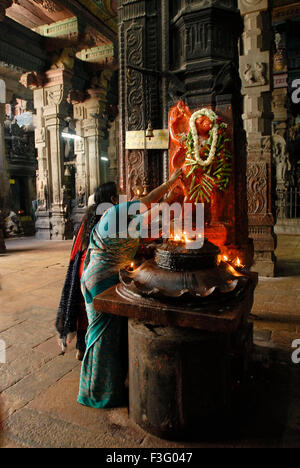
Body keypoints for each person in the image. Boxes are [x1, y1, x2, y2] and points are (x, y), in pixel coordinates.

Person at [78, 168, 182, 409]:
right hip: (98, 281)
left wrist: (173, 197)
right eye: (121, 193)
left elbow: (154, 211)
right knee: (101, 338)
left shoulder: (126, 220)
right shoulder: (113, 213)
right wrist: (172, 181)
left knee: (111, 337)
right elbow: (148, 202)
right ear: (114, 201)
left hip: (109, 280)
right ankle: (94, 394)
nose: (126, 196)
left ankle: (109, 390)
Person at [55, 182, 118, 361]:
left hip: (82, 268)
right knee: (97, 312)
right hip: (96, 269)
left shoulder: (89, 215)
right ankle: (96, 349)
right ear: (112, 198)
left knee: (83, 309)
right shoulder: (110, 215)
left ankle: (81, 347)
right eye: (118, 194)